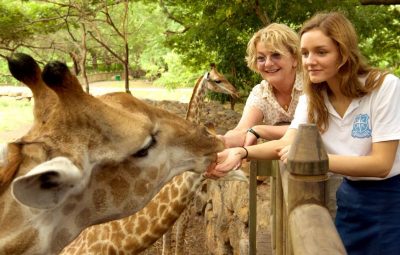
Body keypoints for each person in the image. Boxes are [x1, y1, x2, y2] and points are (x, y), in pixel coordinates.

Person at [207, 11, 400, 255]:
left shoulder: (383, 86)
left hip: (391, 199)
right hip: (350, 199)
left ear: (344, 52)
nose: (310, 61)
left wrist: (313, 161)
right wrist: (241, 152)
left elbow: (381, 164)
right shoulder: (314, 97)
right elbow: (287, 143)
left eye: (321, 52)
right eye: (306, 53)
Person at [221, 23, 303, 148]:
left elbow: (316, 129)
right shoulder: (261, 93)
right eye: (261, 58)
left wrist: (260, 130)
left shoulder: (312, 86)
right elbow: (242, 130)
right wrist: (220, 142)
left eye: (276, 55)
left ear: (295, 59)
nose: (268, 63)